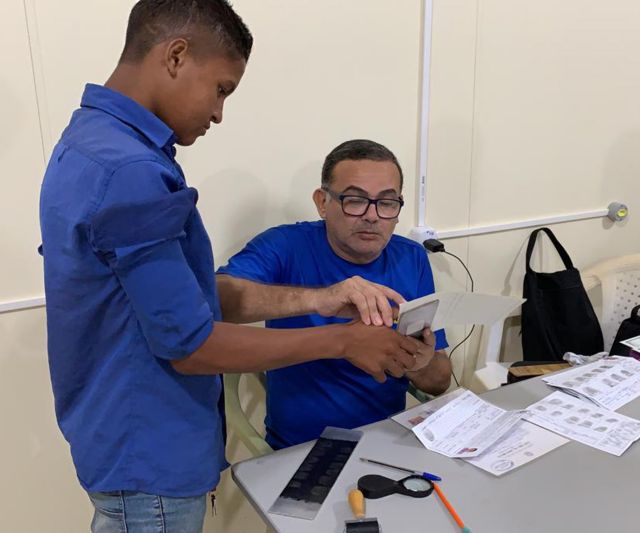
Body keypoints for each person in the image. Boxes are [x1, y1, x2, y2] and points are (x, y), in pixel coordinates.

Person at [38, 3, 424, 532]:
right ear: (176, 56)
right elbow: (192, 344)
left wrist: (321, 298)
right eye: (221, 88)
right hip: (149, 453)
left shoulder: (92, 143)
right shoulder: (129, 171)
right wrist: (342, 339)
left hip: (130, 442)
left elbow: (190, 296)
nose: (219, 113)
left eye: (388, 202)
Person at [217, 139, 452, 449]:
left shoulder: (411, 258)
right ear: (323, 202)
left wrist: (420, 364)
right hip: (302, 448)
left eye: (386, 202)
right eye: (355, 200)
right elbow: (215, 299)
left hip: (389, 442)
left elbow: (440, 382)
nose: (372, 216)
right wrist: (321, 298)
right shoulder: (285, 246)